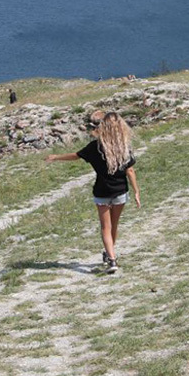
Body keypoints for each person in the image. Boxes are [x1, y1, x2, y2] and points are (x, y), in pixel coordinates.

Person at [45, 112, 140, 274]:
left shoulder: (95, 147)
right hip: (120, 192)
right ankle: (110, 255)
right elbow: (130, 171)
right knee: (114, 226)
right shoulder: (125, 147)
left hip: (102, 192)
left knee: (105, 227)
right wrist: (136, 192)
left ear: (103, 127)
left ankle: (112, 259)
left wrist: (56, 157)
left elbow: (76, 156)